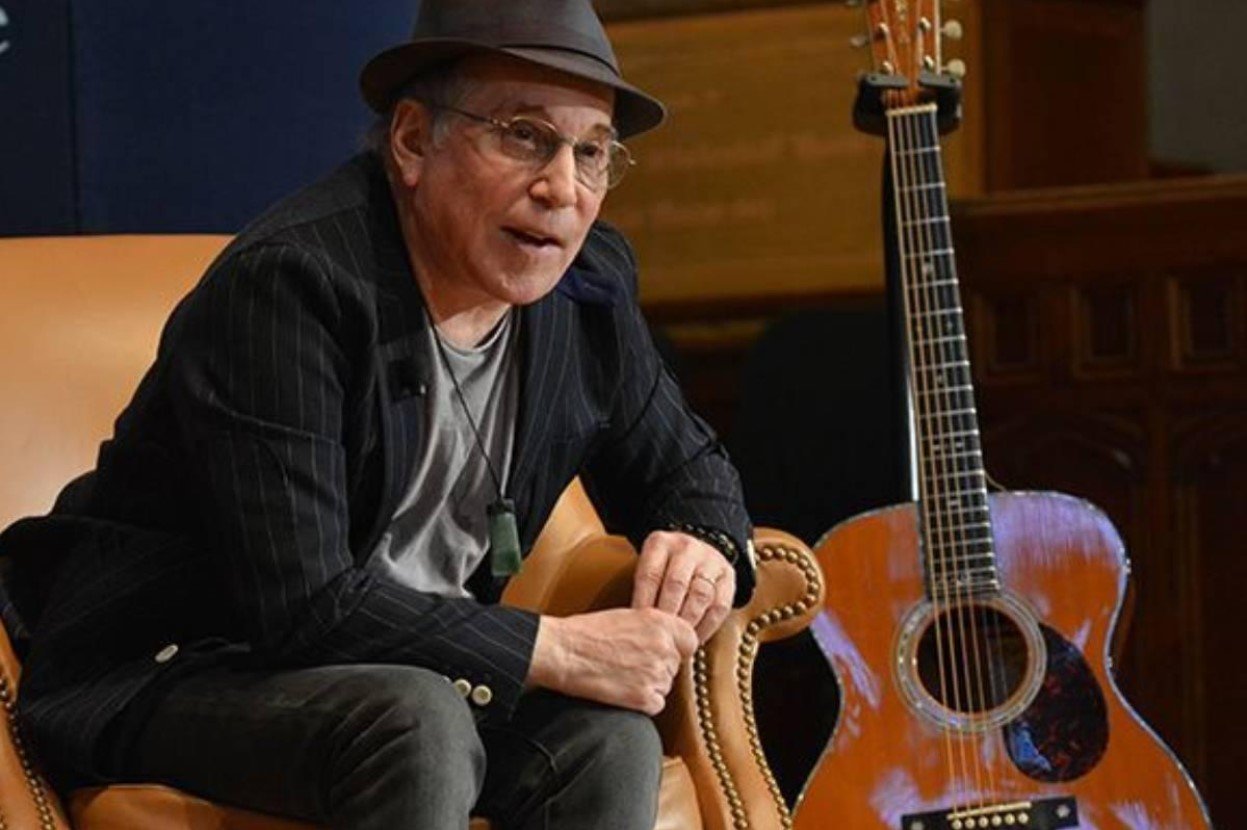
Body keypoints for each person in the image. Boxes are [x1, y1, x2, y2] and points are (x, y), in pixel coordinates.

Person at [0, 1, 755, 827]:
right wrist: (560, 647)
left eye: (591, 151)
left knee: (607, 740)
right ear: (410, 141)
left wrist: (703, 545)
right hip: (179, 664)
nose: (562, 190)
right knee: (417, 722)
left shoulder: (584, 289)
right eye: (524, 136)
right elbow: (302, 605)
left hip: (408, 673)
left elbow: (689, 468)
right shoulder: (293, 287)